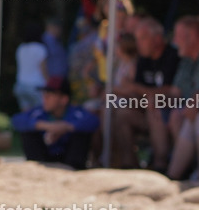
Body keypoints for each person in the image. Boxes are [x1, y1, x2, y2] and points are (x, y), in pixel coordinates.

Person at [109, 16, 178, 170]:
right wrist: (119, 93)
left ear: (158, 39)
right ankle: (129, 164)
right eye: (137, 39)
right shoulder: (143, 59)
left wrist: (136, 89)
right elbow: (136, 92)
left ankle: (160, 164)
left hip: (168, 113)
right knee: (120, 111)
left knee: (155, 103)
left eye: (143, 38)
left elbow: (170, 91)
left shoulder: (172, 56)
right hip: (145, 110)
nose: (138, 44)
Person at [12, 77, 99, 170]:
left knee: (81, 133)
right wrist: (47, 126)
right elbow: (16, 120)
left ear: (64, 99)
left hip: (69, 159)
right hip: (44, 157)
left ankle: (73, 168)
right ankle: (36, 167)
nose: (45, 98)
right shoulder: (39, 112)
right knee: (28, 132)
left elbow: (93, 121)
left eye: (50, 94)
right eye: (44, 94)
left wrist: (66, 127)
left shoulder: (76, 113)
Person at [163, 17, 199, 180]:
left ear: (191, 36)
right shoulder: (186, 62)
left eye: (177, 35)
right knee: (179, 114)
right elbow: (175, 93)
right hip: (189, 113)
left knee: (195, 118)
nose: (174, 41)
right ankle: (174, 176)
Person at [14, 21, 48, 112]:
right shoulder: (40, 48)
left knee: (26, 115)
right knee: (40, 113)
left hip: (20, 85)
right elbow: (43, 69)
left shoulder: (21, 48)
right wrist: (49, 83)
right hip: (36, 86)